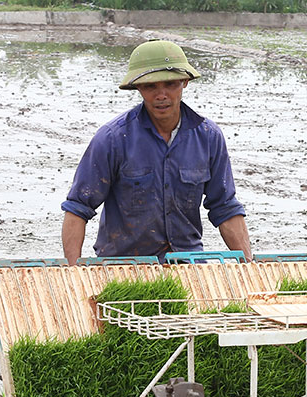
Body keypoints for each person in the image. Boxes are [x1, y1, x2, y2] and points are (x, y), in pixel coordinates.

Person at [61, 41, 251, 265]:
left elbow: (225, 208)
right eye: (151, 86)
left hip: (187, 264)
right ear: (139, 88)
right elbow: (77, 209)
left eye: (170, 84)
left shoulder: (208, 137)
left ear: (184, 82)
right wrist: (73, 271)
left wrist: (249, 265)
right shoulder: (112, 139)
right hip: (124, 267)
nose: (161, 95)